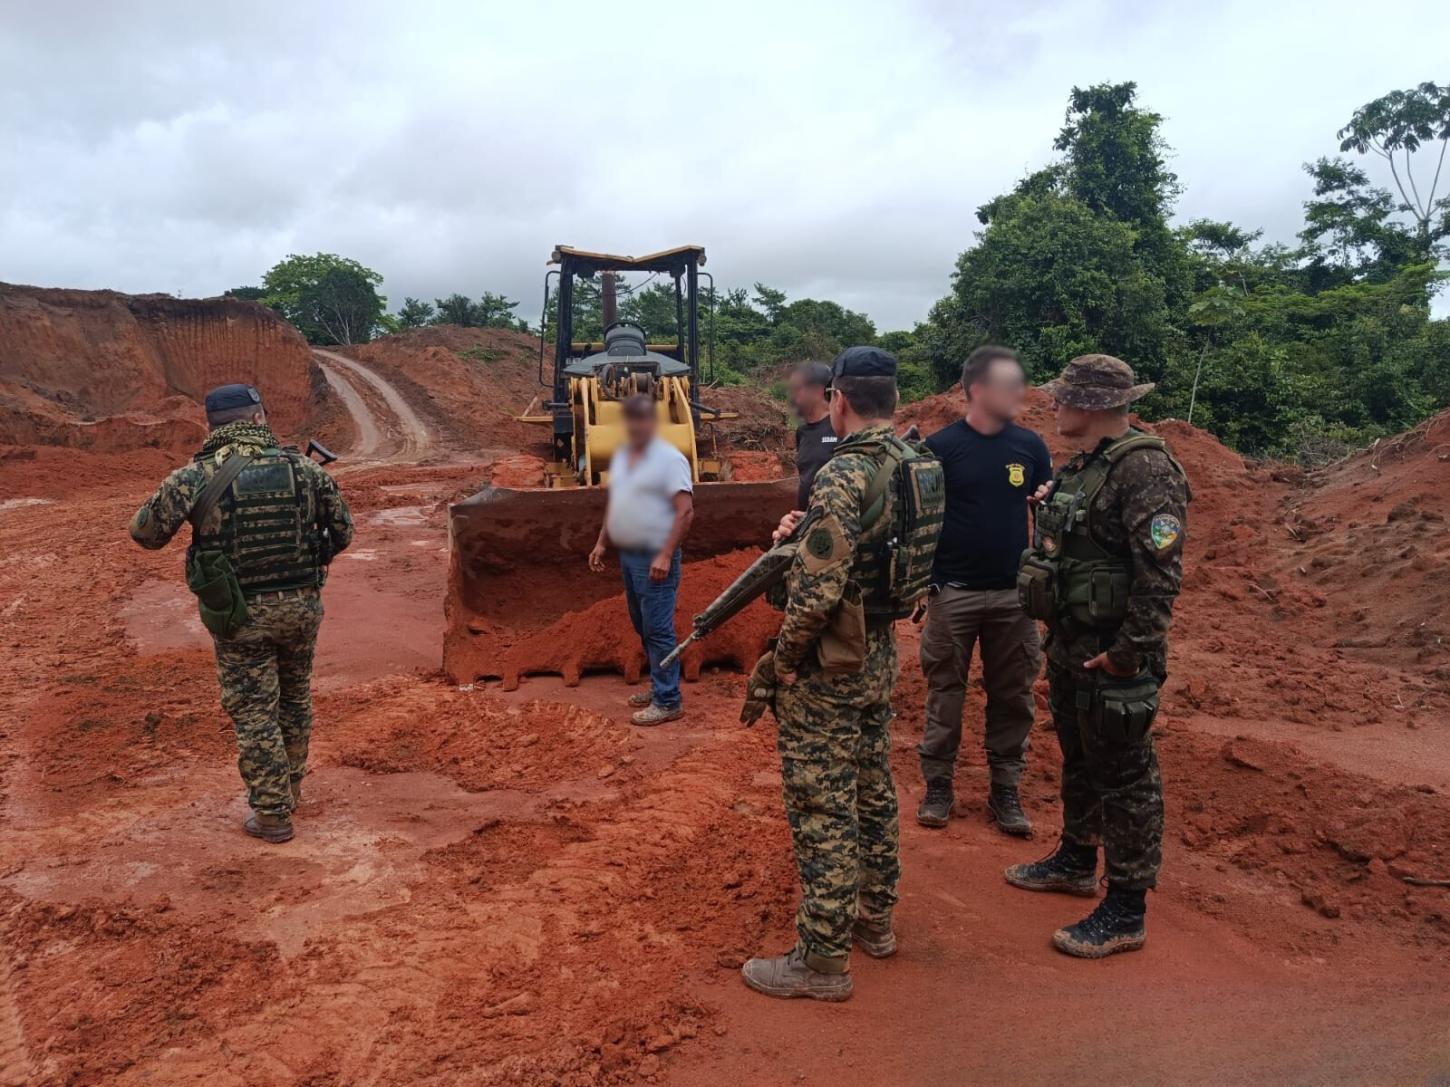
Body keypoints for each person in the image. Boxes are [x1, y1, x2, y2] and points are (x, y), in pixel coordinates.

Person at [739, 345, 937, 1002]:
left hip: (830, 662)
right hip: (880, 652)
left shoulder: (841, 473)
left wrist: (781, 660)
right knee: (872, 788)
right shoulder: (917, 462)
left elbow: (817, 594)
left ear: (839, 400)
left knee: (824, 802)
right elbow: (891, 555)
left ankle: (822, 956)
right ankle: (874, 920)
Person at [1004, 355, 1189, 958]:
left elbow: (1158, 578)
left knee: (1128, 777)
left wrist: (1128, 655)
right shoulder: (1085, 468)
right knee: (1080, 760)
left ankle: (1126, 908)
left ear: (1090, 406)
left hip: (1112, 656)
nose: (1053, 407)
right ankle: (1078, 858)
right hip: (1072, 645)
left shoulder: (1146, 471)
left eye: (1061, 398)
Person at [128, 383, 354, 844]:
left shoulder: (194, 476)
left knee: (254, 710)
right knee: (294, 699)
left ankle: (272, 814)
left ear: (211, 426)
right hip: (301, 608)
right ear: (259, 419)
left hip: (239, 614)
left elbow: (145, 534)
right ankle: (289, 790)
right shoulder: (304, 470)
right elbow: (344, 532)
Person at [916, 345, 1052, 836]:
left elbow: (1045, 512)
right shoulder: (940, 447)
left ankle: (1005, 790)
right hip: (953, 593)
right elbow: (920, 519)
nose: (1019, 393)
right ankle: (938, 785)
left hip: (1014, 597)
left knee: (1013, 694)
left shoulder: (1031, 447)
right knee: (945, 692)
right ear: (977, 390)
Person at [588, 393, 695, 725]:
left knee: (659, 628)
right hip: (630, 553)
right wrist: (601, 542)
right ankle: (659, 685)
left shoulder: (670, 460)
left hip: (655, 555)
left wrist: (664, 554)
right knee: (643, 625)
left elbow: (685, 511)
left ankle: (668, 700)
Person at [788, 361, 838, 508]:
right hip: (808, 523)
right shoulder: (802, 430)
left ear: (818, 391)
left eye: (797, 388)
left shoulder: (840, 428)